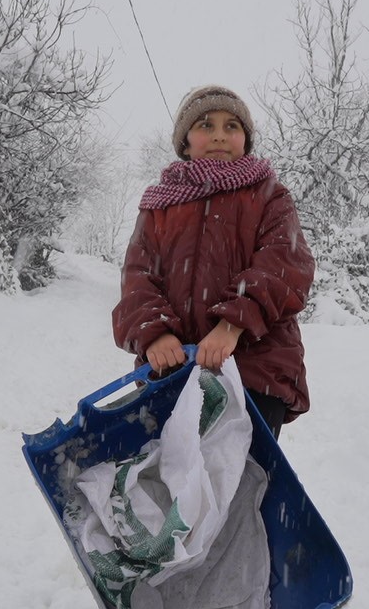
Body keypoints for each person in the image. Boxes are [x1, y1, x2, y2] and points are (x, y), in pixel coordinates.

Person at [112, 85, 315, 438]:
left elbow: (285, 265)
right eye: (206, 125)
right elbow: (138, 276)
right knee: (165, 484)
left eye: (232, 126)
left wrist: (233, 324)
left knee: (234, 484)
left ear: (245, 140)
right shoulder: (159, 206)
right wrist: (155, 333)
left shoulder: (269, 196)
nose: (220, 135)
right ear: (185, 142)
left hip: (254, 371)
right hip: (173, 372)